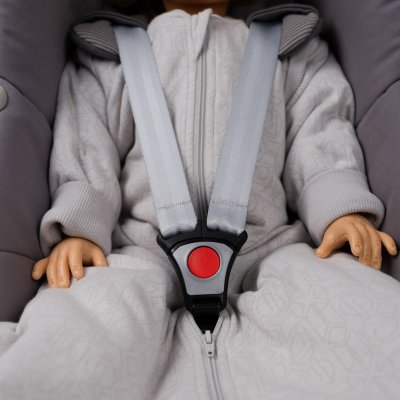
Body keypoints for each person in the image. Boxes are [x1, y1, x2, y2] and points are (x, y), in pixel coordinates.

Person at [9, 0, 398, 398]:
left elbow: (318, 130)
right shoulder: (108, 57)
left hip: (270, 246)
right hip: (141, 249)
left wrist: (339, 206)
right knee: (84, 318)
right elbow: (88, 145)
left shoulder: (291, 49)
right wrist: (81, 228)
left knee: (348, 304)